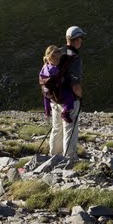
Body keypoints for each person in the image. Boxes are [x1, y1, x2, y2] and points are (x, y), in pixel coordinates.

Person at [47, 26, 85, 159]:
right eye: (81, 38)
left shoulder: (57, 52)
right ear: (75, 39)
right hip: (68, 100)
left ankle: (54, 155)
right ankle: (69, 158)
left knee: (56, 128)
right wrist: (80, 97)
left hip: (54, 98)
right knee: (70, 128)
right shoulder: (74, 57)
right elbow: (75, 85)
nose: (82, 41)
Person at [39, 46, 75, 122]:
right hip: (58, 91)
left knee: (46, 97)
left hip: (47, 91)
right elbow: (65, 67)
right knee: (70, 97)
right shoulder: (54, 69)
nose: (59, 61)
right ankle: (65, 112)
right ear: (50, 58)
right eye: (58, 59)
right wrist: (70, 54)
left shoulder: (44, 67)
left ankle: (47, 111)